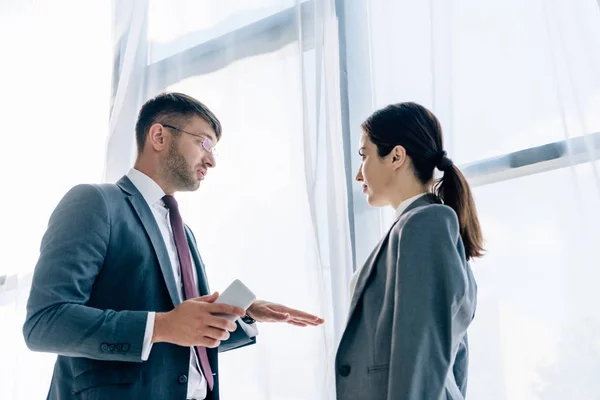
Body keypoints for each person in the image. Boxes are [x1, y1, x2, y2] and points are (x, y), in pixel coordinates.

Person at [23, 92, 324, 400]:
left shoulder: (184, 231)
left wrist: (239, 313)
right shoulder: (95, 202)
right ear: (159, 135)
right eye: (204, 143)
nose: (212, 160)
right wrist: (161, 326)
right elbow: (45, 323)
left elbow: (184, 337)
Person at [335, 102, 482, 400]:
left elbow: (423, 354)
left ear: (396, 156)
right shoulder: (419, 225)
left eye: (364, 156)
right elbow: (456, 359)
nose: (358, 175)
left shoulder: (426, 224)